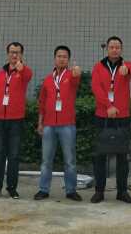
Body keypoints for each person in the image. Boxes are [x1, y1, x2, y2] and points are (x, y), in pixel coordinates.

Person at [90, 36, 131, 204]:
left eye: (118, 47)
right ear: (107, 49)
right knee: (100, 156)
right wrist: (109, 105)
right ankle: (99, 191)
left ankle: (122, 192)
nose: (115, 50)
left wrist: (127, 69)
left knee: (122, 156)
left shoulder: (126, 66)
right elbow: (96, 88)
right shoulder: (98, 67)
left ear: (121, 49)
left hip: (122, 117)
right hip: (102, 116)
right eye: (112, 47)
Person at [34, 45, 83, 201]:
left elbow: (76, 79)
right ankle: (43, 189)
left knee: (69, 161)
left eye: (65, 57)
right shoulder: (48, 79)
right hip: (48, 125)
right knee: (46, 161)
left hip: (67, 125)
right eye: (59, 56)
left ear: (68, 60)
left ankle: (71, 190)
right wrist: (40, 123)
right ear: (54, 59)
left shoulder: (71, 76)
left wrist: (77, 73)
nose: (62, 59)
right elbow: (42, 103)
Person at [0, 41, 32, 200]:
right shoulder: (0, 74)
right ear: (8, 54)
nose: (14, 55)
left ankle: (12, 188)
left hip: (16, 121)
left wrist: (21, 69)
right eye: (12, 52)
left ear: (21, 54)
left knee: (14, 155)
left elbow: (28, 76)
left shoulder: (24, 72)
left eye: (17, 52)